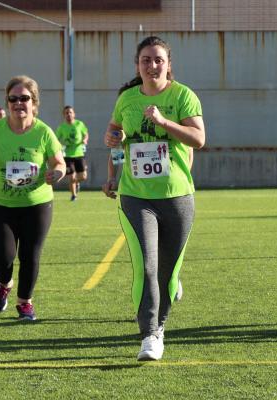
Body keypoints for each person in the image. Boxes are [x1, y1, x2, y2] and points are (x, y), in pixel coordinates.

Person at [104, 36, 205, 361]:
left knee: (168, 273)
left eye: (158, 59)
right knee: (146, 267)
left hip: (177, 195)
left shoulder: (183, 96)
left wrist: (164, 122)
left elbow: (199, 139)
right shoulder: (127, 99)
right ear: (138, 65)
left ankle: (161, 321)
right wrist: (112, 138)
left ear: (168, 64)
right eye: (146, 60)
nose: (152, 65)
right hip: (136, 196)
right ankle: (150, 334)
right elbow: (116, 131)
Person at [0, 75, 66, 321]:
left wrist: (56, 173)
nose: (18, 103)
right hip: (3, 205)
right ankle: (4, 283)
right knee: (1, 258)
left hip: (37, 204)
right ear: (7, 102)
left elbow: (59, 162)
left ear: (34, 102)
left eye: (24, 98)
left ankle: (25, 302)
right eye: (13, 99)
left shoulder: (44, 132)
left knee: (30, 256)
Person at [55, 106, 89, 201]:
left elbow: (85, 133)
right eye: (66, 113)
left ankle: (76, 183)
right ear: (64, 115)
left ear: (74, 114)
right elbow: (56, 140)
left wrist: (85, 140)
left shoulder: (79, 124)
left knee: (83, 176)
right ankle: (74, 196)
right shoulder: (61, 127)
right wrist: (61, 146)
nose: (68, 114)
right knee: (72, 177)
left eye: (70, 112)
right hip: (67, 155)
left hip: (79, 154)